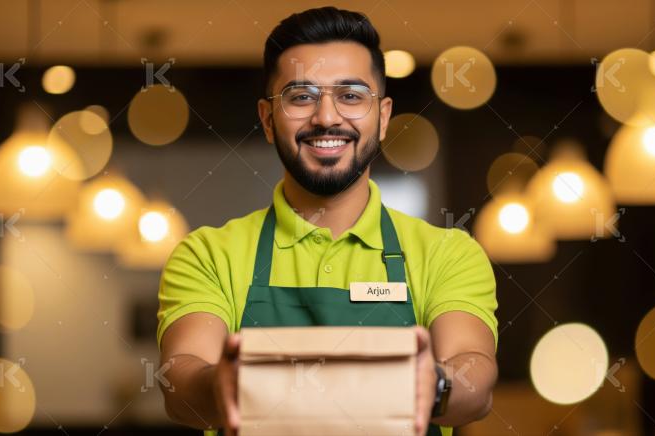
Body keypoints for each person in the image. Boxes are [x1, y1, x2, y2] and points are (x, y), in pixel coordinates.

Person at [157, 7, 498, 436]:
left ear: (384, 115)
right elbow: (181, 380)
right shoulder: (208, 253)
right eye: (301, 97)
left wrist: (438, 384)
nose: (327, 117)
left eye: (351, 96)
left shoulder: (448, 253)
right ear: (266, 119)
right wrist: (218, 385)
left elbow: (476, 378)